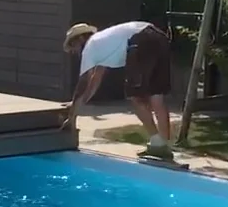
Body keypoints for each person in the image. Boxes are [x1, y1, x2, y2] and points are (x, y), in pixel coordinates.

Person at [62, 21, 173, 159]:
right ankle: (164, 146)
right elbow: (95, 80)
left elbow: (83, 84)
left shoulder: (90, 47)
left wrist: (72, 116)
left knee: (135, 97)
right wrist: (79, 104)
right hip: (159, 37)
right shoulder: (102, 42)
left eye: (73, 46)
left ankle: (157, 144)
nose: (74, 52)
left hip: (139, 41)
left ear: (80, 39)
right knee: (157, 96)